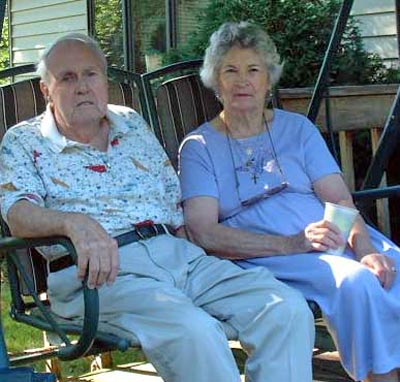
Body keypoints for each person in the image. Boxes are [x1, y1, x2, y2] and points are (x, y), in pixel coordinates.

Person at [0, 33, 315, 382]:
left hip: (178, 255)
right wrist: (74, 223)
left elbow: (170, 193)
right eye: (67, 78)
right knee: (194, 331)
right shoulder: (23, 139)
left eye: (91, 75)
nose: (82, 87)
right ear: (47, 90)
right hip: (101, 272)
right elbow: (17, 213)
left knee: (283, 308)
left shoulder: (131, 122)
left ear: (104, 82)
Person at [179, 21, 400, 382]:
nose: (242, 80)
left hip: (329, 239)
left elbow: (338, 199)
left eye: (253, 70)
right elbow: (204, 232)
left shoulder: (297, 129)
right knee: (357, 283)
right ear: (215, 82)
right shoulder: (199, 148)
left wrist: (364, 248)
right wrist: (292, 243)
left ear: (269, 80)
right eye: (230, 71)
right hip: (265, 254)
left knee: (391, 268)